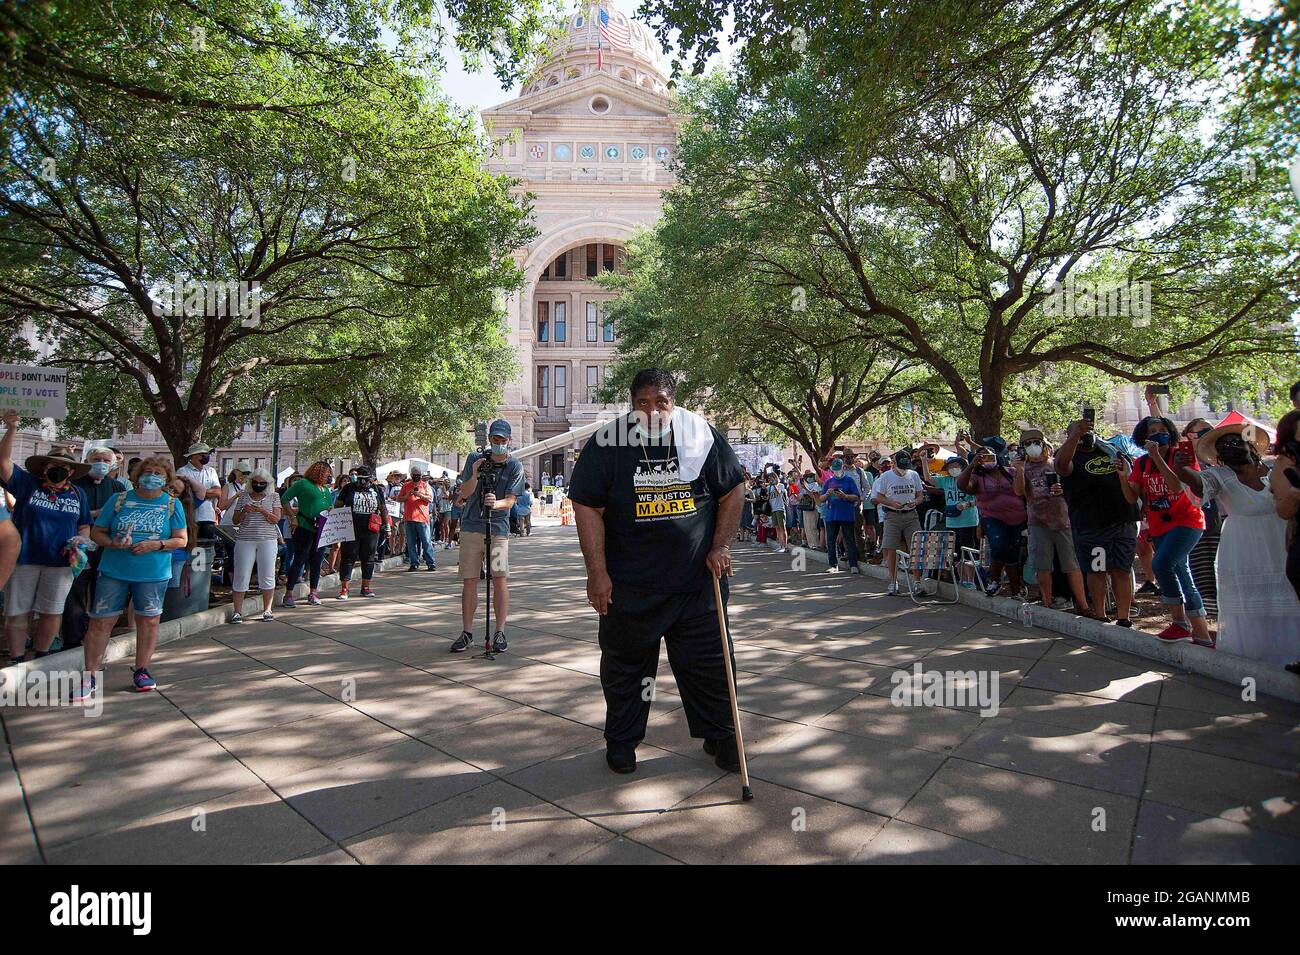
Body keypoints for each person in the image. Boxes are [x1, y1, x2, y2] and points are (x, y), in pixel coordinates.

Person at [568, 368, 745, 776]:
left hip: (697, 585)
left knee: (712, 667)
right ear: (632, 406)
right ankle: (623, 741)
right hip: (631, 587)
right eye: (643, 403)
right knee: (625, 670)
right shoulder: (608, 443)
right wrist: (597, 572)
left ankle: (722, 736)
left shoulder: (700, 435)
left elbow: (733, 490)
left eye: (660, 402)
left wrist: (720, 546)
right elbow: (587, 506)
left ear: (673, 402)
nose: (652, 411)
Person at [1171, 422, 1299, 667]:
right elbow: (1198, 484)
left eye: (1235, 442)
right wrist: (1182, 469)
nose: (1231, 448)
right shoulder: (1220, 476)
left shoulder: (1274, 469)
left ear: (1250, 446)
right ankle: (1255, 660)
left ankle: (1291, 654)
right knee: (1251, 601)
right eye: (1224, 447)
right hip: (1243, 545)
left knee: (1287, 594)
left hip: (1279, 538)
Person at [80, 457, 189, 697]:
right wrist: (113, 543)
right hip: (114, 571)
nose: (151, 476)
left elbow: (181, 539)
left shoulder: (172, 505)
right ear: (137, 475)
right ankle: (90, 675)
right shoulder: (119, 500)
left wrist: (156, 544)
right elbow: (97, 532)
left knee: (148, 621)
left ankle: (142, 670)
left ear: (166, 479)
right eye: (147, 471)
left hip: (153, 573)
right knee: (101, 621)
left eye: (158, 473)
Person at [0, 411, 92, 662]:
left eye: (64, 467)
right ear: (44, 468)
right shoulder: (27, 483)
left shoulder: (77, 494)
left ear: (72, 471)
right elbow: (3, 462)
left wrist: (81, 542)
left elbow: (84, 525)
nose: (59, 470)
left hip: (61, 564)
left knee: (52, 611)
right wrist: (11, 429)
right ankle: (17, 657)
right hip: (23, 559)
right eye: (54, 466)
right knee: (18, 611)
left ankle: (41, 654)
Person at [1119, 415, 1210, 644]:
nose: (1157, 434)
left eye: (1161, 430)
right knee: (1181, 573)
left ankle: (1179, 623)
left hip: (1187, 521)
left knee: (1161, 563)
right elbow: (1132, 497)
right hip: (1160, 525)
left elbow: (1177, 487)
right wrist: (1122, 477)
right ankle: (1201, 633)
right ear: (1143, 437)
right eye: (1151, 431)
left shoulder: (1180, 457)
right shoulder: (1141, 464)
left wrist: (1157, 457)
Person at [1055, 418, 1140, 626]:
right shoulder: (1067, 454)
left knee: (1121, 569)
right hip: (1091, 525)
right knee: (1097, 570)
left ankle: (1123, 617)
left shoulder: (1111, 451)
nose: (1085, 433)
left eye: (1086, 429)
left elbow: (1131, 478)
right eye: (1077, 431)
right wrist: (1075, 435)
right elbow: (1061, 466)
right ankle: (1101, 614)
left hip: (1122, 520)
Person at [449, 421, 524, 653]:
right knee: (469, 579)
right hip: (472, 526)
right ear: (489, 439)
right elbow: (465, 492)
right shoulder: (475, 458)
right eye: (495, 440)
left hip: (498, 529)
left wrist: (497, 503)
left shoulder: (514, 466)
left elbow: (511, 500)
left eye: (503, 440)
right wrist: (475, 473)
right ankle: (467, 632)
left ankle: (499, 631)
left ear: (509, 440)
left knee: (499, 578)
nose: (499, 444)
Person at [1014, 430, 1090, 613]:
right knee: (1043, 566)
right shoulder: (1022, 468)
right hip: (1037, 523)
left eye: (1036, 442)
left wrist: (1062, 490)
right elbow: (1018, 492)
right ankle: (1047, 603)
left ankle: (1083, 605)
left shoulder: (1056, 465)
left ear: (1043, 444)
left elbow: (1074, 488)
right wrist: (1020, 470)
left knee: (1072, 565)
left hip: (1064, 522)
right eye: (1028, 443)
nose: (1033, 446)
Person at [62, 446, 129, 650]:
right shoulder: (74, 485)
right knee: (76, 592)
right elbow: (73, 514)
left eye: (105, 460)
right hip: (80, 546)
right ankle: (73, 638)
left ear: (113, 464)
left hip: (107, 546)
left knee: (104, 591)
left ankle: (98, 633)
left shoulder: (117, 487)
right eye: (96, 459)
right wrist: (96, 513)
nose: (101, 463)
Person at [958, 436, 1027, 598]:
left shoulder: (1010, 472)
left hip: (1017, 518)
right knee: (999, 546)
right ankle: (994, 579)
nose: (987, 458)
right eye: (982, 457)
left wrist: (1020, 471)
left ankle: (1016, 589)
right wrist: (972, 466)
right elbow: (962, 485)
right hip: (993, 517)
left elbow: (1022, 492)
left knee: (1012, 554)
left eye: (989, 455)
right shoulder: (977, 477)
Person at [229, 467, 283, 622]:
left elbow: (276, 519)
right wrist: (244, 511)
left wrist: (261, 511)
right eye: (255, 482)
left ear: (268, 484)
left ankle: (267, 609)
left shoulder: (274, 496)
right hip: (245, 538)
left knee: (267, 573)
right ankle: (237, 611)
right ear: (251, 482)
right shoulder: (244, 496)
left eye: (262, 483)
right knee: (241, 574)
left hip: (267, 539)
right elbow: (235, 520)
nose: (258, 485)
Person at [280, 462, 334, 607]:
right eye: (327, 473)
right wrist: (292, 517)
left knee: (317, 562)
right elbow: (284, 499)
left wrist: (330, 510)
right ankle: (289, 594)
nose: (329, 476)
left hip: (321, 529)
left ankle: (313, 593)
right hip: (304, 526)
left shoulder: (326, 490)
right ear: (319, 472)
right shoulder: (303, 484)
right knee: (299, 560)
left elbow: (329, 506)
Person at [873, 449, 924, 595]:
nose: (904, 469)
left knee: (916, 546)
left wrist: (915, 501)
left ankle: (917, 582)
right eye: (901, 465)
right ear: (894, 463)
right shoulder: (886, 476)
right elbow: (879, 497)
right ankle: (893, 582)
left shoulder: (913, 475)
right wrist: (890, 502)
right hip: (892, 516)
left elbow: (920, 495)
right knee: (891, 548)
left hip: (911, 515)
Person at [335, 466, 386, 600]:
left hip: (371, 530)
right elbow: (338, 505)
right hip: (351, 528)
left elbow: (383, 508)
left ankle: (365, 587)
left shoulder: (376, 489)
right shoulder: (348, 488)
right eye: (360, 477)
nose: (362, 481)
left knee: (368, 558)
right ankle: (344, 589)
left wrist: (386, 526)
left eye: (365, 478)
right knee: (348, 558)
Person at [925, 454, 979, 555]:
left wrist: (967, 504)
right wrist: (924, 460)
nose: (953, 469)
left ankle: (967, 571)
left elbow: (979, 499)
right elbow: (928, 478)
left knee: (968, 552)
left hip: (968, 521)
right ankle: (957, 570)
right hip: (951, 521)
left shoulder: (971, 479)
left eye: (956, 466)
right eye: (950, 467)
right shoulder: (946, 480)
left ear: (962, 467)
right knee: (954, 553)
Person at [821, 456, 861, 573]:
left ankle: (853, 564)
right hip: (832, 515)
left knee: (850, 539)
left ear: (843, 468)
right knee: (831, 541)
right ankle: (833, 564)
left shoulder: (849, 480)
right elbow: (821, 499)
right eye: (834, 470)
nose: (836, 472)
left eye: (838, 469)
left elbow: (856, 497)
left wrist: (845, 496)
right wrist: (827, 494)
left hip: (847, 515)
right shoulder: (829, 482)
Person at [176, 442, 221, 544]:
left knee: (207, 550)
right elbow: (184, 495)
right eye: (204, 454)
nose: (207, 457)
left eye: (208, 454)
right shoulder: (182, 472)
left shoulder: (211, 471)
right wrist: (207, 492)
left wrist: (198, 491)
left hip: (209, 518)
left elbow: (218, 492)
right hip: (190, 519)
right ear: (194, 455)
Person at [399, 466, 437, 571]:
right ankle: (414, 563)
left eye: (418, 475)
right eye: (415, 475)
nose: (417, 477)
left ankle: (431, 563)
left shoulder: (425, 485)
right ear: (411, 475)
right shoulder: (406, 486)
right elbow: (398, 498)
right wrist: (407, 496)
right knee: (411, 542)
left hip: (422, 518)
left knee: (426, 542)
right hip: (409, 518)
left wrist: (419, 495)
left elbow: (430, 499)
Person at [766, 472, 790, 553]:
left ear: (775, 477)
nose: (770, 479)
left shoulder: (781, 485)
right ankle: (780, 545)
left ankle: (785, 546)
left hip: (780, 508)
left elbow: (779, 493)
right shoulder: (768, 487)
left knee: (782, 527)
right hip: (773, 509)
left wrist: (774, 485)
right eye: (769, 478)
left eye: (772, 477)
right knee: (777, 528)